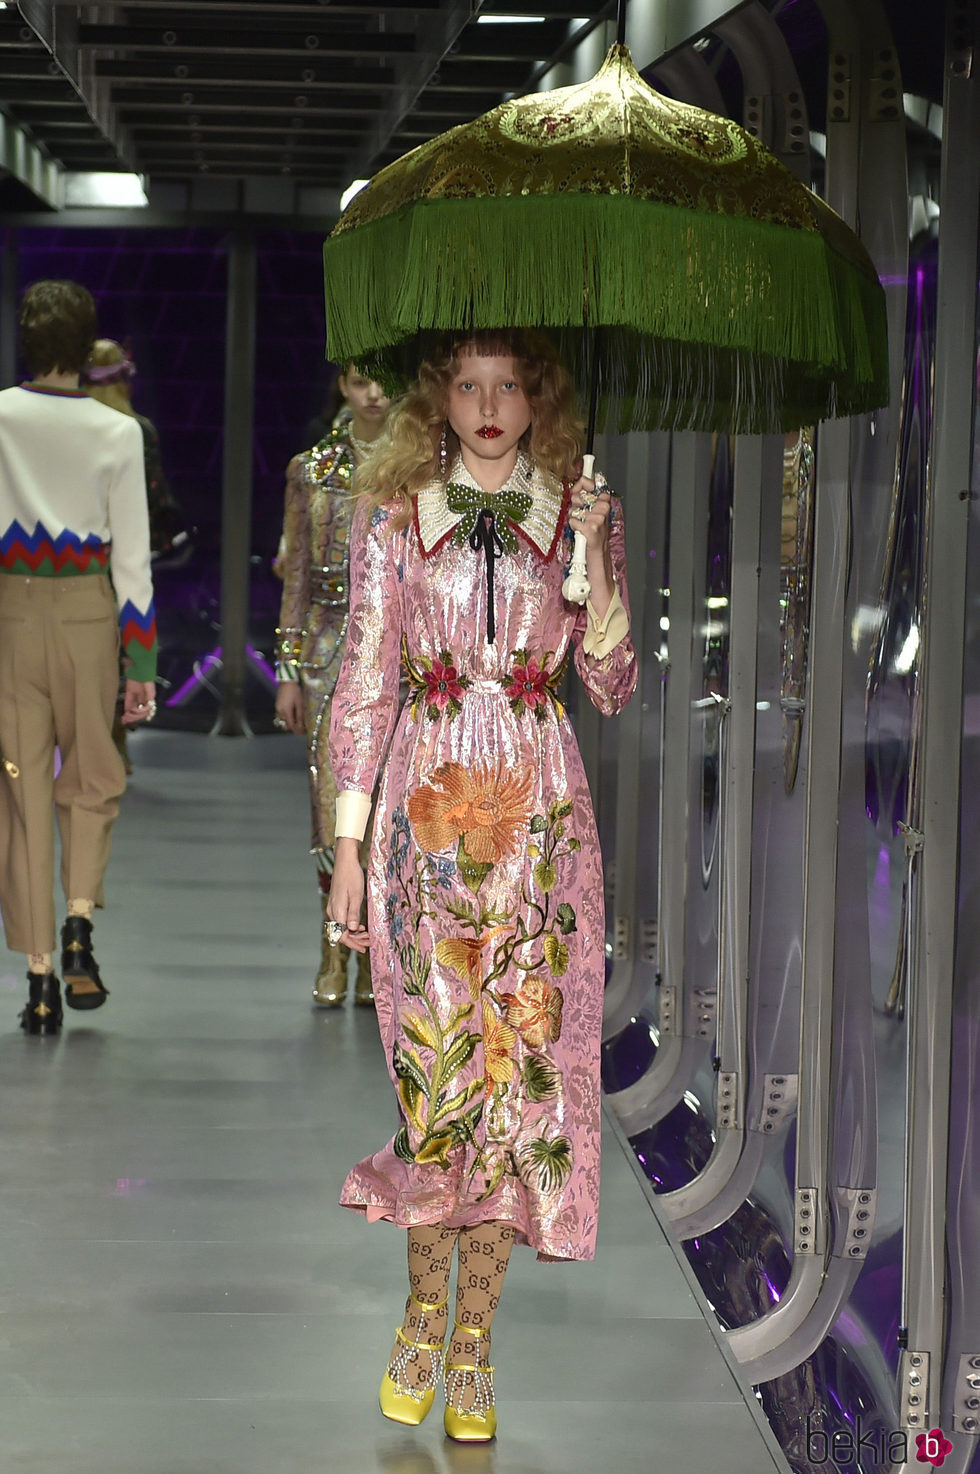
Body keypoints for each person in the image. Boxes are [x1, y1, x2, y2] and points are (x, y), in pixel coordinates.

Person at [326, 330, 637, 1441]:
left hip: (542, 824)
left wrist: (598, 561)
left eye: (508, 384)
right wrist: (351, 847)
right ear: (437, 396)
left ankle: (473, 1346)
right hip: (425, 812)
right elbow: (363, 681)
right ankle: (419, 1312)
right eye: (467, 384)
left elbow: (607, 682)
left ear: (538, 393)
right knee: (435, 1076)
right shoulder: (395, 520)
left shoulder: (575, 511)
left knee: (519, 1083)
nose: (488, 403)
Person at [0, 280, 156, 1035]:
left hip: (12, 613)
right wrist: (145, 666)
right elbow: (133, 560)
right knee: (92, 776)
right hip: (90, 612)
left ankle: (37, 984)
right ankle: (78, 927)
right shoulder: (117, 432)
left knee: (22, 791)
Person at [274, 366, 390, 1006]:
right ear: (341, 387)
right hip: (325, 649)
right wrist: (287, 671)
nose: (373, 393)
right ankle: (333, 947)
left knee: (387, 800)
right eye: (358, 380)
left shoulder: (426, 464)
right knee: (330, 802)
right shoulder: (310, 468)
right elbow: (294, 574)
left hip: (401, 651)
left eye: (383, 381)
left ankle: (374, 953)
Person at [82, 338, 181, 773]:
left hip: (73, 560)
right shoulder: (134, 431)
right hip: (123, 552)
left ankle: (79, 743)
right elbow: (152, 499)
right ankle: (113, 741)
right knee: (122, 645)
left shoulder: (74, 427)